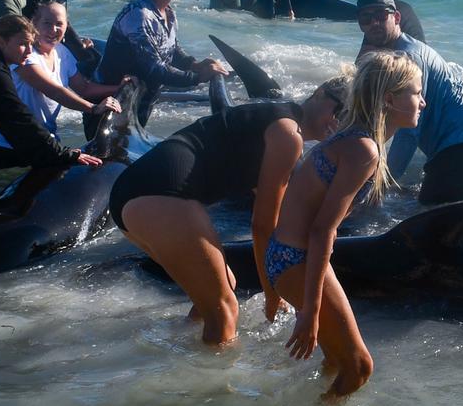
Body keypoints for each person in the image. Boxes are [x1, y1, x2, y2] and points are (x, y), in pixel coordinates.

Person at [110, 71, 352, 347]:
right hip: (160, 193)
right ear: (319, 92)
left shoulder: (276, 120)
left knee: (222, 289)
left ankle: (178, 353)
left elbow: (279, 217)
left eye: (347, 118)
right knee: (225, 309)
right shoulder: (289, 133)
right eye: (339, 109)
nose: (337, 121)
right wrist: (272, 293)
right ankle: (213, 387)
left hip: (135, 194)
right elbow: (263, 226)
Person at [268, 51, 425, 397]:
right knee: (359, 368)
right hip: (297, 259)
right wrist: (310, 312)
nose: (423, 102)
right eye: (416, 93)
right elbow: (322, 230)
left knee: (339, 362)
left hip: (284, 255)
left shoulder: (355, 137)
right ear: (389, 99)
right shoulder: (364, 149)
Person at [0, 15, 102, 209]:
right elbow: (18, 121)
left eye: (31, 44)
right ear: (2, 41)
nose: (29, 51)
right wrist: (64, 155)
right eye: (23, 44)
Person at [353, 0, 463, 204]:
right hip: (459, 147)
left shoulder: (408, 57)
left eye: (381, 15)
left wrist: (379, 186)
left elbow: (409, 132)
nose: (374, 23)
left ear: (397, 17)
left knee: (424, 218)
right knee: (419, 209)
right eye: (366, 18)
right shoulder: (392, 54)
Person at [0, 1, 122, 172]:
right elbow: (54, 91)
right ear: (34, 24)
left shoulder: (63, 53)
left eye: (59, 24)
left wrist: (118, 87)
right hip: (8, 142)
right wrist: (94, 108)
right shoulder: (25, 56)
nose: (53, 29)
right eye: (47, 23)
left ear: (67, 26)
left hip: (44, 140)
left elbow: (84, 88)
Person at [94, 0, 228, 128]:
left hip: (140, 102)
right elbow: (154, 69)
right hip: (110, 108)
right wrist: (198, 77)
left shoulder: (168, 12)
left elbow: (172, 50)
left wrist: (195, 64)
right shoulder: (138, 15)